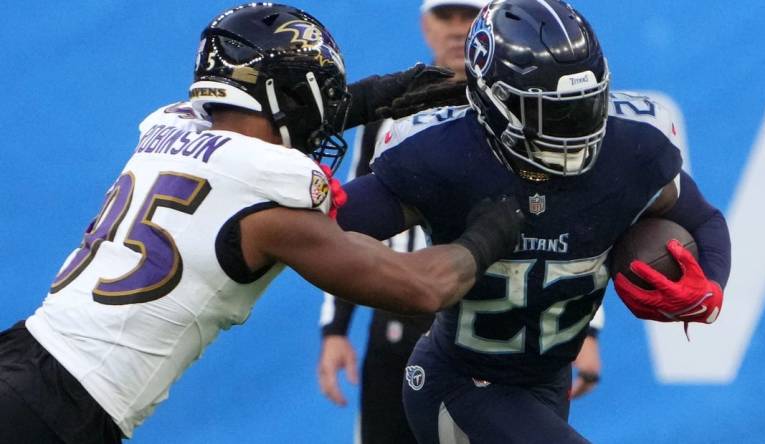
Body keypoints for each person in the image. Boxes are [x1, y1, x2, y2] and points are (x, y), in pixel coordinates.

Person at [0, 4, 527, 443]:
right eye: (313, 95)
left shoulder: (169, 124)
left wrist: (376, 95)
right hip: (60, 409)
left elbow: (250, 123)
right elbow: (421, 286)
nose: (319, 116)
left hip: (23, 352)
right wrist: (500, 221)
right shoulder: (270, 198)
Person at [334, 0, 732, 442]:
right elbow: (325, 224)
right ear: (494, 102)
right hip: (460, 382)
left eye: (584, 105)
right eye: (551, 111)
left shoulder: (630, 150)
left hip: (547, 385)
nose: (575, 128)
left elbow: (704, 219)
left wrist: (710, 286)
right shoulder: (444, 154)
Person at [317, 2, 485, 444]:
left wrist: (587, 331)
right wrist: (336, 330)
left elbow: (570, 212)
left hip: (486, 319)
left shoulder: (519, 105)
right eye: (445, 17)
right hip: (395, 316)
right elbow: (345, 222)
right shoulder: (392, 107)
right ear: (426, 26)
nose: (456, 30)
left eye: (467, 16)